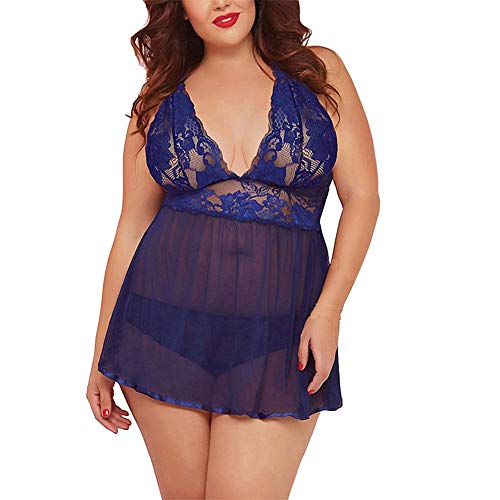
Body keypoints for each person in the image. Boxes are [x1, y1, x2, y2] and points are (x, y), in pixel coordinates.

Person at [86, 0, 379, 498]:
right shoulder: (159, 98)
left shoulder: (317, 72)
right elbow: (132, 227)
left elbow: (363, 198)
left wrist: (329, 311)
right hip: (162, 331)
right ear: (179, 9)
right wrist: (100, 355)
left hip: (280, 338)